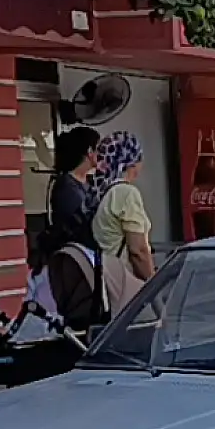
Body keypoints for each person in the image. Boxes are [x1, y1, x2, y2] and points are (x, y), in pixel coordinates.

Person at [89, 132, 156, 313]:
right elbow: (138, 252)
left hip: (106, 285)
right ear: (132, 161)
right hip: (126, 286)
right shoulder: (126, 193)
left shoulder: (102, 192)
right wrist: (156, 288)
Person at [45, 126, 101, 250]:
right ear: (90, 151)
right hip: (75, 253)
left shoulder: (89, 182)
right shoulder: (66, 187)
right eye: (99, 149)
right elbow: (81, 224)